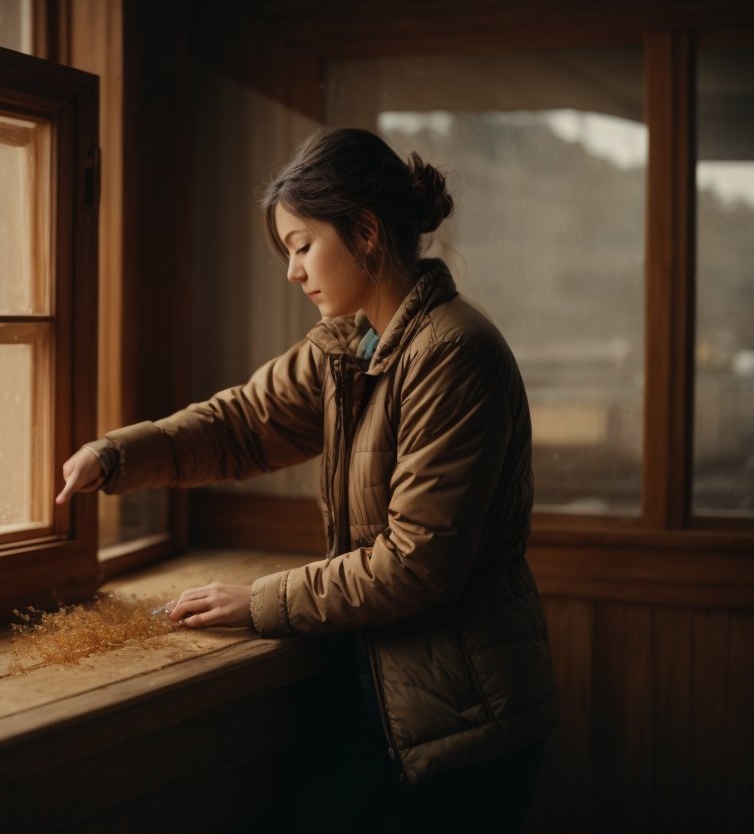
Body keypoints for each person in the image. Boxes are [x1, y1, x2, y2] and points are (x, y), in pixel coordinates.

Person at [54, 128, 557, 831]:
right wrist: (114, 455)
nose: (292, 271)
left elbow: (419, 563)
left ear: (367, 233)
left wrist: (261, 601)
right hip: (379, 683)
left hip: (458, 716)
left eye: (301, 245)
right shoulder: (352, 346)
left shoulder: (453, 353)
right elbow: (241, 425)